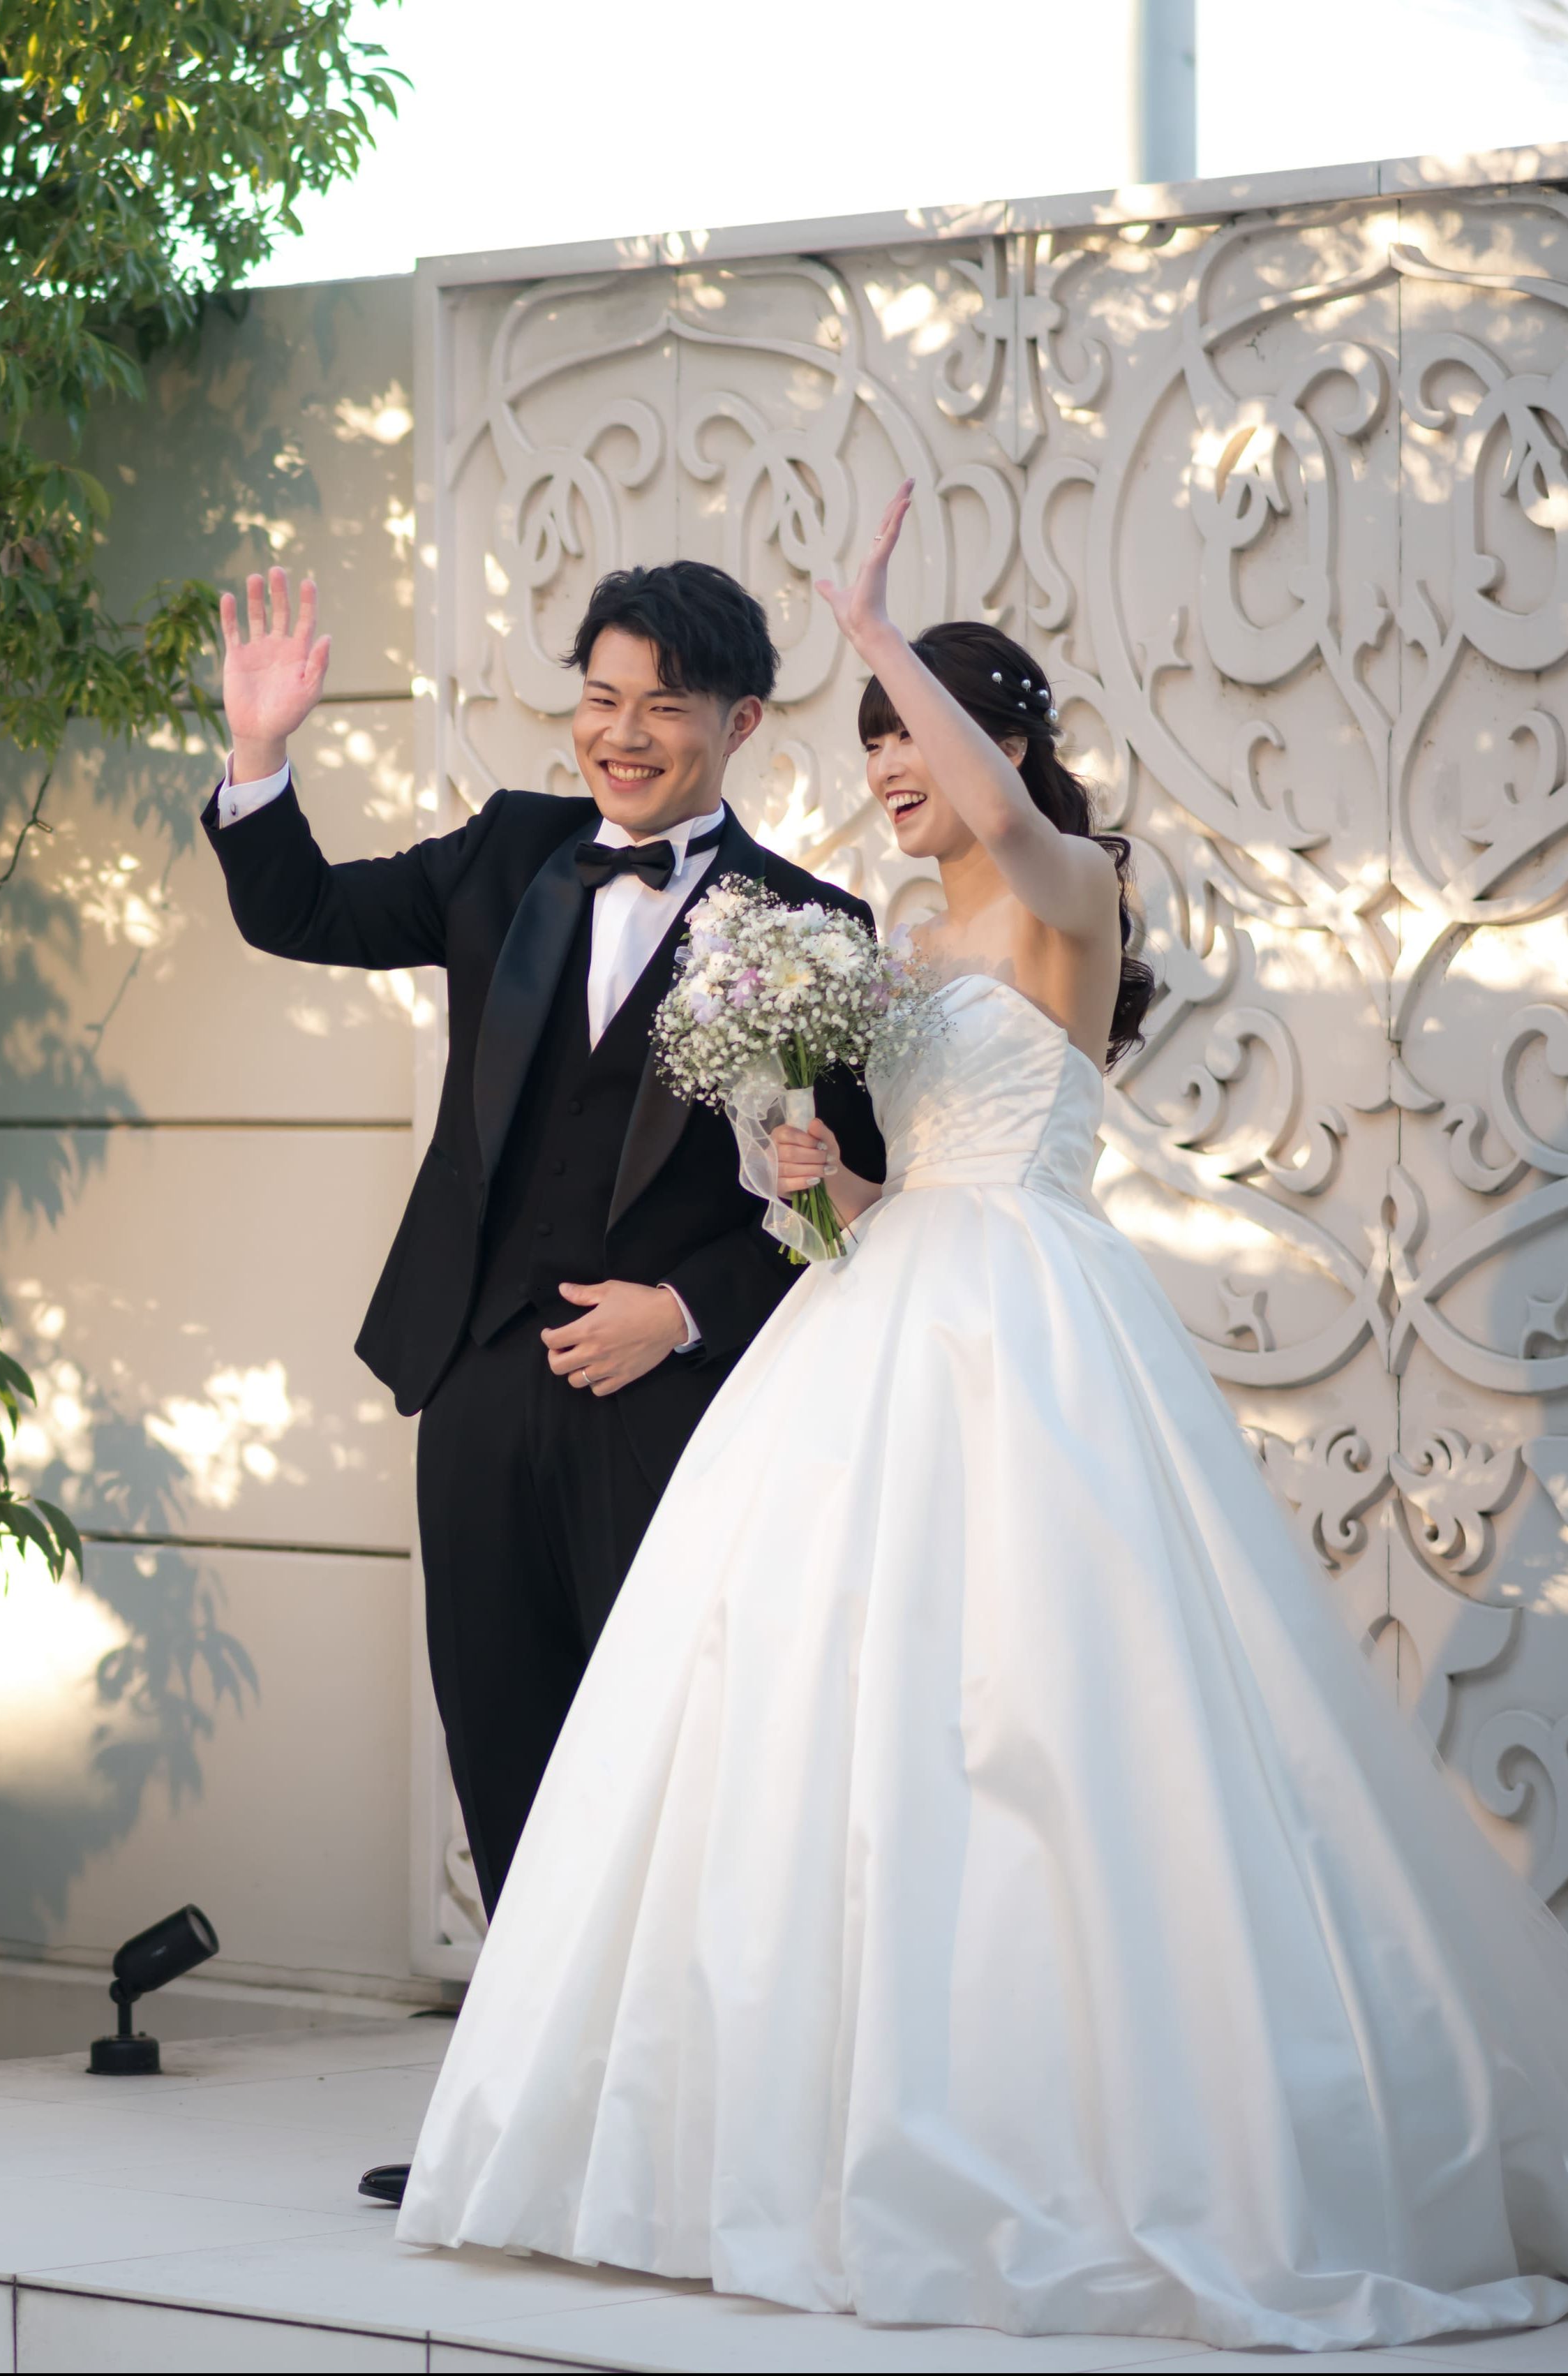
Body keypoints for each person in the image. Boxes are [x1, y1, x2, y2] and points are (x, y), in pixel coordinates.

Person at [395, 484, 1568, 2349]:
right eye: (871, 742)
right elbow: (874, 1189)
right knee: (816, 1709)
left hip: (1024, 1317)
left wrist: (868, 622)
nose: (889, 769)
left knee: (1044, 1704)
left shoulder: (1064, 897)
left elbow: (1013, 837)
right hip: (872, 1306)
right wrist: (810, 1178)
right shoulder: (884, 935)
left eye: (913, 736)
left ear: (1002, 744)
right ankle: (787, 2120)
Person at [205, 560, 883, 2208]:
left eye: (662, 705)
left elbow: (839, 1201)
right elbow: (303, 914)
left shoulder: (808, 930)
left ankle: (680, 2131)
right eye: (599, 696)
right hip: (478, 1377)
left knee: (664, 1764)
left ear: (740, 721)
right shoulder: (508, 850)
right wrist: (259, 754)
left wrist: (683, 1308)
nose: (621, 733)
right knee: (501, 1739)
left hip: (671, 1409)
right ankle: (523, 2122)